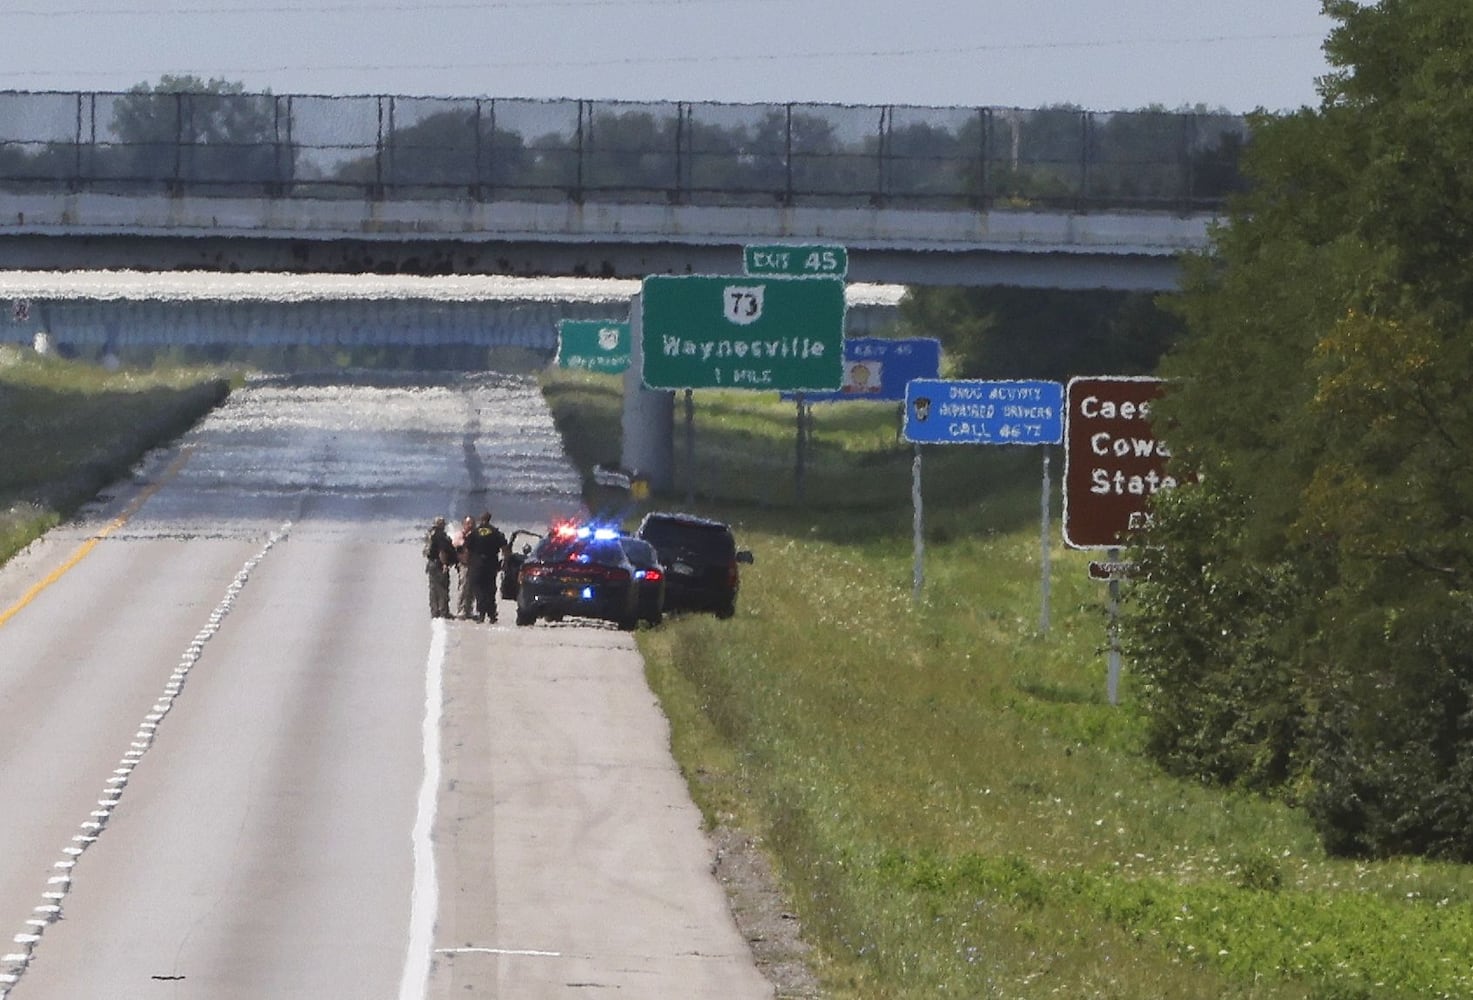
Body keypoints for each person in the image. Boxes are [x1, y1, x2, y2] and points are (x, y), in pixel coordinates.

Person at [464, 511, 510, 623]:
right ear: (490, 519)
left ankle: (481, 613)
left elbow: (467, 550)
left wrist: (467, 563)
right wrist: (505, 562)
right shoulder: (496, 532)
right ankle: (492, 614)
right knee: (490, 589)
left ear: (481, 519)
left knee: (478, 589)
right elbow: (505, 549)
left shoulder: (474, 533)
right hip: (491, 564)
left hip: (477, 564)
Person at [423, 516, 457, 619]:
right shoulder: (440, 536)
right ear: (441, 525)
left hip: (431, 564)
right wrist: (445, 564)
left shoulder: (431, 534)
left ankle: (434, 612)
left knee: (433, 589)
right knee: (442, 589)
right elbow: (442, 551)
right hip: (438, 564)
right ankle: (443, 612)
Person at [453, 515, 476, 620]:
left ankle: (469, 610)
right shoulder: (460, 535)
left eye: (472, 524)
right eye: (468, 524)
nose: (470, 526)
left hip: (474, 565)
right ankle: (461, 611)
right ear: (464, 525)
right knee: (463, 587)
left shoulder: (475, 535)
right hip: (464, 565)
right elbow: (459, 545)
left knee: (472, 589)